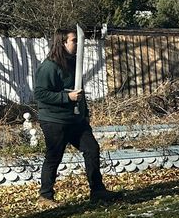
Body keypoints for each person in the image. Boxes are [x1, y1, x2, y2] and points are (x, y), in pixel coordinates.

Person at [34, 28, 119, 204]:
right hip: (54, 120)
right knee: (54, 156)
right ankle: (45, 195)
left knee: (91, 149)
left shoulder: (73, 64)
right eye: (74, 40)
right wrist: (67, 97)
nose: (78, 44)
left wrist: (85, 113)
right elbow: (40, 94)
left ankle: (97, 191)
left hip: (75, 119)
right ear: (62, 43)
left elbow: (78, 91)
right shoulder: (49, 67)